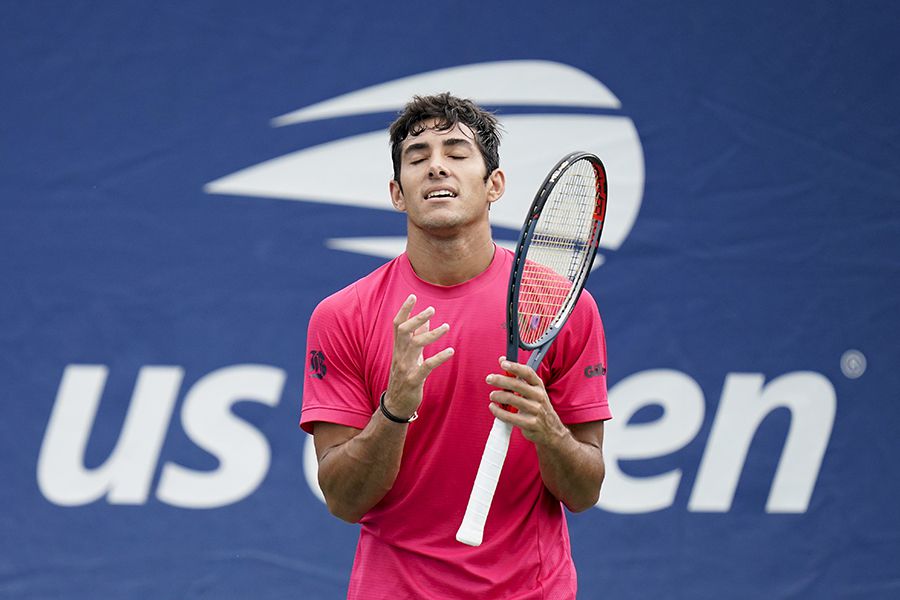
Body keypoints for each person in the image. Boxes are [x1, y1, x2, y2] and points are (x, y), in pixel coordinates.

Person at [300, 93, 611, 599]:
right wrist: (395, 408)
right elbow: (343, 500)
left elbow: (584, 491)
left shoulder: (563, 305)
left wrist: (548, 428)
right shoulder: (342, 316)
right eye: (418, 158)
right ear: (398, 193)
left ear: (495, 185)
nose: (436, 167)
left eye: (456, 153)